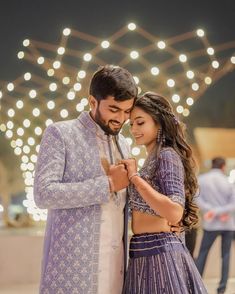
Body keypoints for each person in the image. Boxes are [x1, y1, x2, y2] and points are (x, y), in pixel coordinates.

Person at [34, 65, 138, 294]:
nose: (121, 119)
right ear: (92, 102)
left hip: (117, 269)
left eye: (127, 111)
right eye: (114, 109)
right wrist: (108, 184)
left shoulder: (124, 144)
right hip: (73, 270)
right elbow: (43, 193)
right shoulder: (61, 134)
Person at [121, 92, 208, 293]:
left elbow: (175, 211)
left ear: (159, 123)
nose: (134, 129)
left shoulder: (167, 155)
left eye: (140, 123)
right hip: (142, 254)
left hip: (161, 256)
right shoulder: (151, 158)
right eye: (131, 124)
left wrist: (135, 178)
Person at [196, 157, 235, 294]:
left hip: (210, 223)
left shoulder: (202, 179)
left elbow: (197, 198)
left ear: (212, 165)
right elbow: (233, 203)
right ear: (223, 166)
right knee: (225, 255)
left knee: (202, 254)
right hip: (227, 223)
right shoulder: (228, 181)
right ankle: (222, 288)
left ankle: (196, 284)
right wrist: (221, 211)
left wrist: (211, 211)